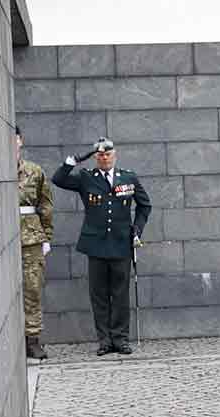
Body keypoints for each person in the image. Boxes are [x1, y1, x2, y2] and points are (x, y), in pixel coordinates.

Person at [52, 137, 151, 355]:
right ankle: (104, 341)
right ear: (96, 158)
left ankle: (121, 339)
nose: (104, 158)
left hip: (121, 244)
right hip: (96, 245)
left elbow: (145, 205)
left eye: (108, 154)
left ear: (115, 155)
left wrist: (137, 229)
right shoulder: (87, 178)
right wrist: (76, 160)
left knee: (120, 294)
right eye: (100, 155)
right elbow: (58, 179)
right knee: (99, 295)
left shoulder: (128, 177)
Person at [16, 127, 55, 360]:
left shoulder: (34, 171)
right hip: (1, 236)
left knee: (32, 288)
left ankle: (32, 339)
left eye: (15, 139)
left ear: (20, 141)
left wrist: (46, 237)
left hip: (30, 238)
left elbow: (46, 206)